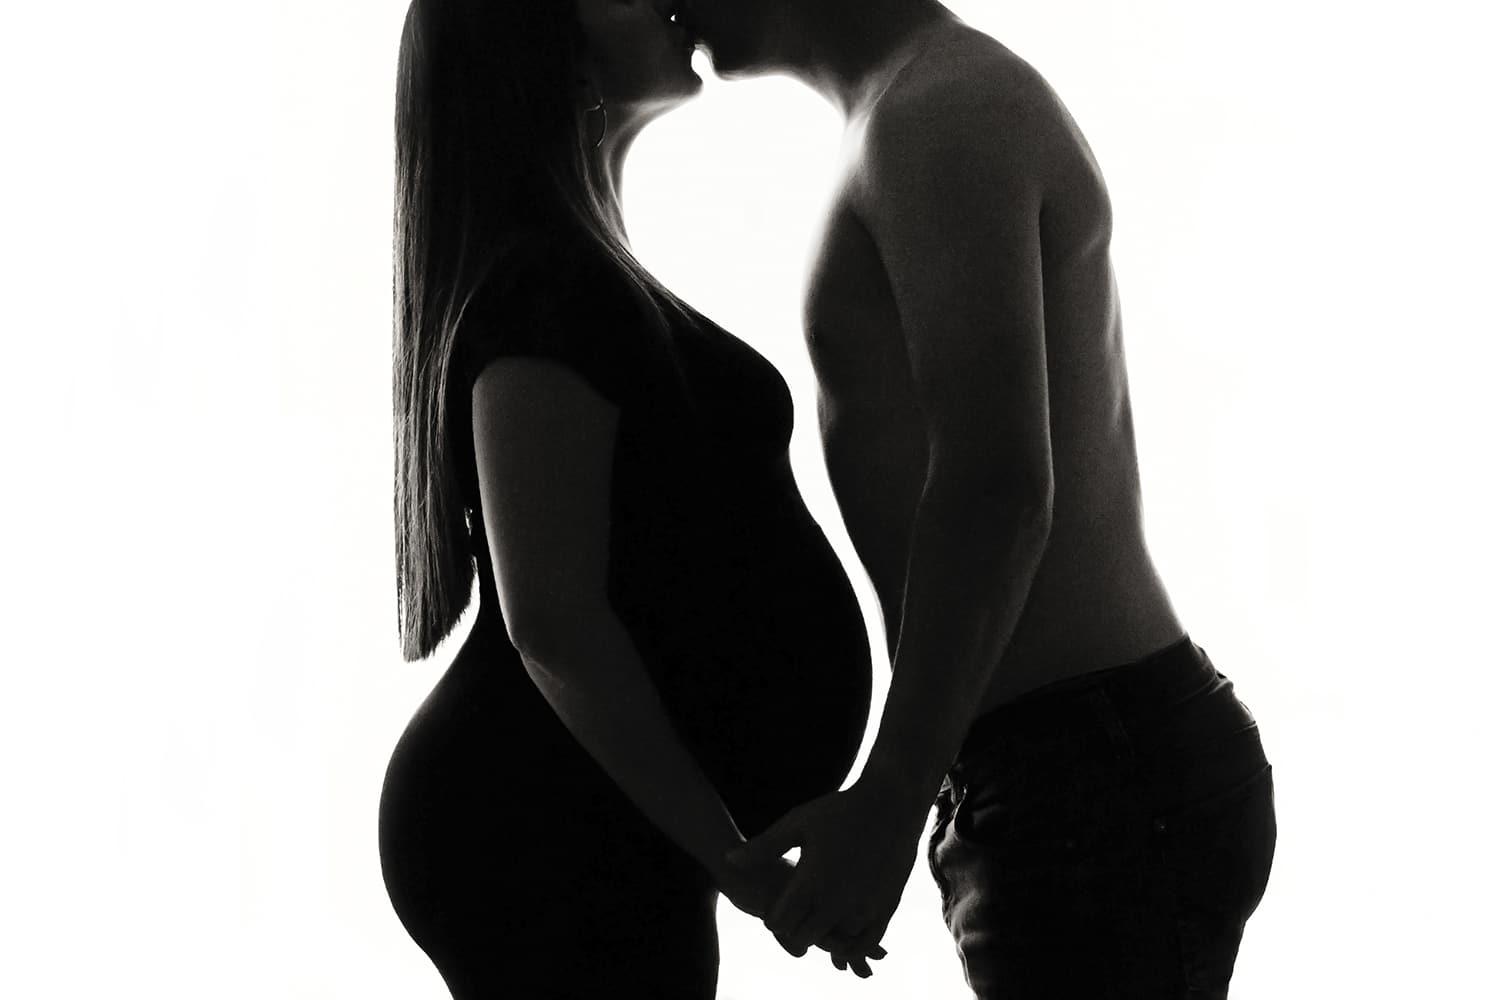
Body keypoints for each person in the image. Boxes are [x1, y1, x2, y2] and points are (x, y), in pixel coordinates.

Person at [683, 1, 1279, 996]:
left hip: (1088, 778)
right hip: (1072, 769)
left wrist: (889, 802)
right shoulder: (915, 109)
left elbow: (998, 486)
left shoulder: (938, 112)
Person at [378, 1, 883, 996]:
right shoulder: (543, 291)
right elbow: (553, 621)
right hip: (538, 834)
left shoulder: (580, 270)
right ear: (543, 38)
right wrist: (734, 861)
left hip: (591, 834)